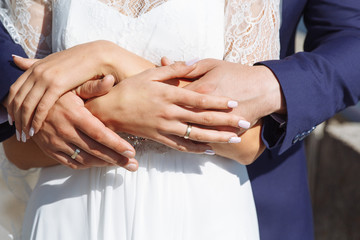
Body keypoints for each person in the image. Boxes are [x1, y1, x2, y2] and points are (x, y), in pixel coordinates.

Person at [0, 0, 359, 240]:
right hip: (65, 213)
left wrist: (108, 59)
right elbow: (19, 146)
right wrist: (112, 109)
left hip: (203, 212)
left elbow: (246, 138)